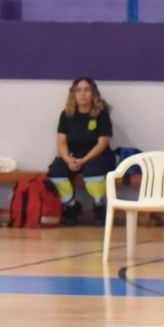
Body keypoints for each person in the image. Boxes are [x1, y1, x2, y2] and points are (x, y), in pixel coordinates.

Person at [47, 77, 115, 227]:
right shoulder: (66, 114)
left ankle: (99, 205)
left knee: (93, 172)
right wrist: (67, 159)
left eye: (86, 90)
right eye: (79, 90)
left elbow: (102, 143)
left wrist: (84, 160)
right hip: (73, 155)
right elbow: (61, 142)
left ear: (93, 93)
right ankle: (71, 206)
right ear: (73, 94)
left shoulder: (101, 114)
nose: (82, 94)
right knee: (55, 171)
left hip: (97, 155)